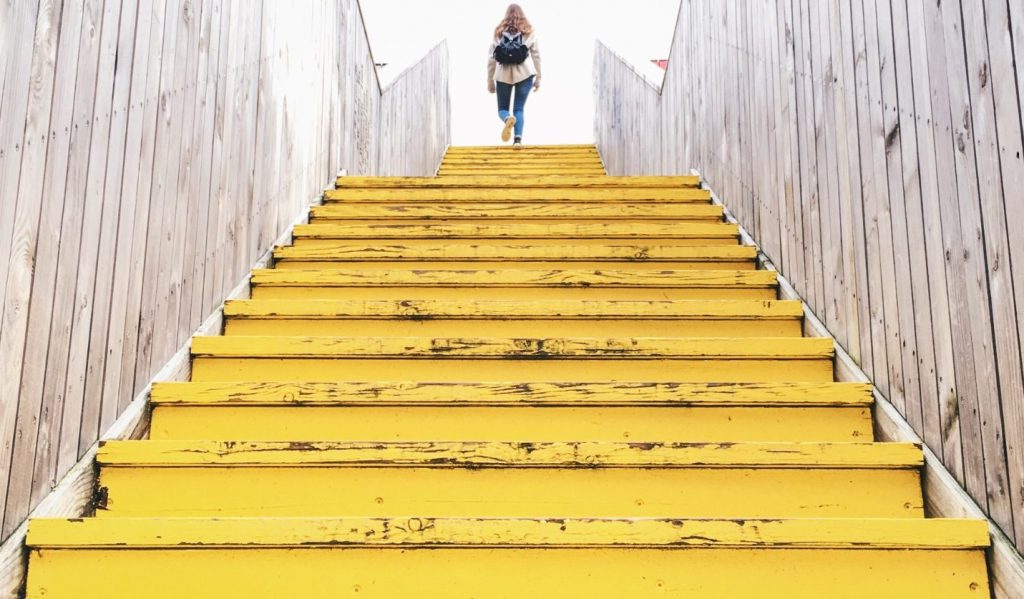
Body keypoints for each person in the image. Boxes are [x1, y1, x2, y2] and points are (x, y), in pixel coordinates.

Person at [487, 4, 541, 148]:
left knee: (502, 109)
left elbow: (491, 59)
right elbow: (536, 56)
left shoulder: (498, 32)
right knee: (519, 109)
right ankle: (517, 140)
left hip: (502, 74)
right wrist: (539, 78)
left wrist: (490, 82)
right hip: (524, 74)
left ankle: (507, 119)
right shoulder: (529, 31)